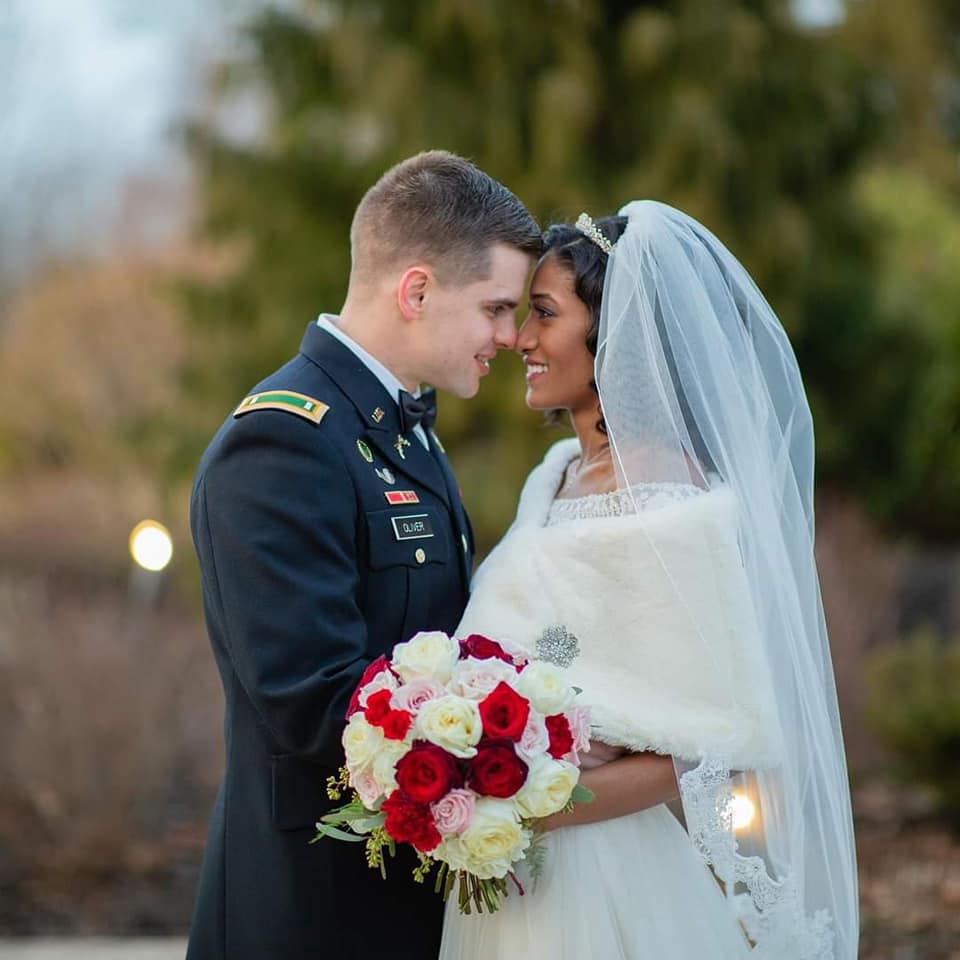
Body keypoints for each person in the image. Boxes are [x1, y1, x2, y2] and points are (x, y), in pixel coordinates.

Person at [440, 204, 859, 959]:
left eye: (544, 313)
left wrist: (528, 807)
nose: (520, 339)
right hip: (505, 872)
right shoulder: (555, 476)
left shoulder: (667, 495)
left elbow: (704, 746)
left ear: (613, 332)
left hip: (600, 875)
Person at [185, 150, 541, 960]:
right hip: (311, 909)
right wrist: (524, 742)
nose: (509, 335)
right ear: (416, 292)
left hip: (405, 890)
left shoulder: (402, 426)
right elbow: (314, 702)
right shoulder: (283, 442)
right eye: (495, 307)